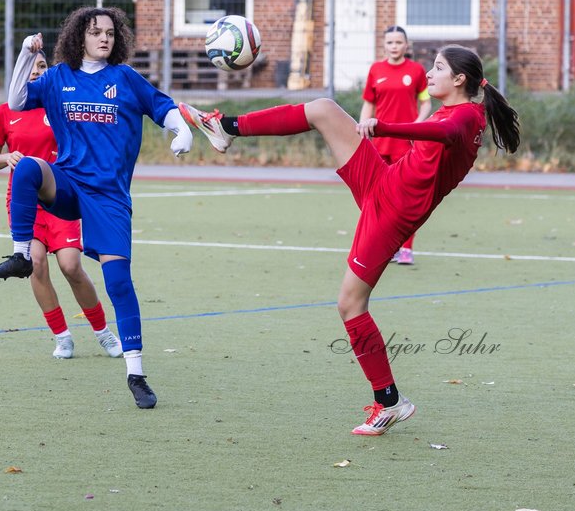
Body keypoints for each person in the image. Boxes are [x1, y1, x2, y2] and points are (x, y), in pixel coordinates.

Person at [180, 44, 519, 436]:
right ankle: (226, 127)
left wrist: (386, 126)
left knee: (350, 305)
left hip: (391, 214)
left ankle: (389, 401)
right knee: (324, 109)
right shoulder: (465, 109)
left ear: (459, 79)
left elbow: (439, 132)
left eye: (438, 68)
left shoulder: (463, 119)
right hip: (384, 181)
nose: (429, 73)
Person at [0, 7, 193, 409]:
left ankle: (136, 373)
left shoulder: (125, 78)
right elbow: (16, 99)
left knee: (118, 283)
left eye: (110, 33)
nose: (104, 39)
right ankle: (22, 256)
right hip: (68, 182)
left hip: (109, 197)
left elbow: (163, 107)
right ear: (79, 35)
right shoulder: (59, 76)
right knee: (27, 167)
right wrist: (27, 54)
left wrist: (181, 129)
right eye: (96, 32)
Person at [0, 49, 124, 361]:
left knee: (71, 266)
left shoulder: (61, 104)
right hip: (25, 202)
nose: (36, 72)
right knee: (35, 262)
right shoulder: (5, 111)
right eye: (30, 67)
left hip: (59, 195)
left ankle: (103, 333)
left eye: (42, 66)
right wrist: (6, 157)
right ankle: (62, 337)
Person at [358, 26, 431, 265]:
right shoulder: (376, 70)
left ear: (406, 45)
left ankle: (406, 249)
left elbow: (426, 104)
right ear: (384, 45)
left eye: (399, 42)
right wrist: (361, 127)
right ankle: (386, 246)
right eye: (390, 42)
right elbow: (369, 104)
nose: (394, 46)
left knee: (406, 198)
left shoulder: (417, 71)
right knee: (378, 197)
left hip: (406, 145)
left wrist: (417, 127)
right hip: (380, 143)